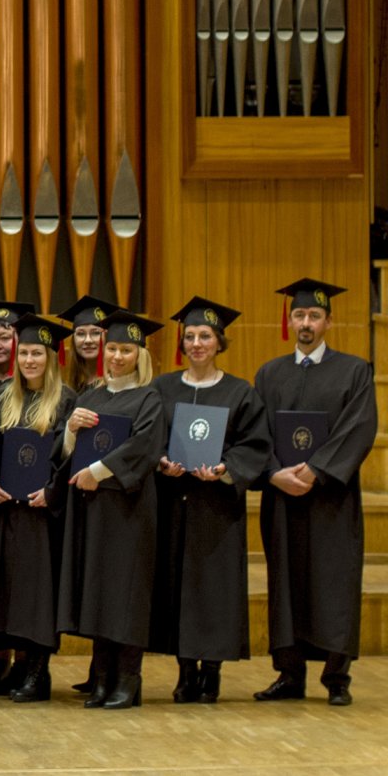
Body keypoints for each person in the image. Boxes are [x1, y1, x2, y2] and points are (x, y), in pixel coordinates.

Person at [252, 278, 377, 707]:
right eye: (300, 315)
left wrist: (317, 470)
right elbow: (257, 433)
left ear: (328, 321)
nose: (306, 322)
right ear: (289, 321)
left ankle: (336, 677)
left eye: (314, 316)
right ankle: (289, 673)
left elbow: (359, 428)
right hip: (282, 497)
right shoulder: (269, 373)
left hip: (331, 499)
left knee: (334, 582)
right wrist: (273, 473)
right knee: (285, 582)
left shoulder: (354, 371)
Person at [152, 296, 271, 704]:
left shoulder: (240, 392)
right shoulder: (163, 388)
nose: (197, 344)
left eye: (205, 336)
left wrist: (226, 468)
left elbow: (255, 444)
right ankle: (185, 670)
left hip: (217, 508)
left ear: (219, 342)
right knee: (177, 587)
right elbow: (148, 436)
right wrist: (160, 460)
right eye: (190, 337)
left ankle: (212, 670)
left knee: (214, 589)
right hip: (174, 502)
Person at [56, 309, 164, 708]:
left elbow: (145, 447)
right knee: (98, 589)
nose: (118, 356)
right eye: (113, 348)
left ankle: (128, 678)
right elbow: (67, 453)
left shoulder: (149, 397)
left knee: (127, 591)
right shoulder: (90, 397)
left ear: (139, 354)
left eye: (126, 350)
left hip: (130, 509)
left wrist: (98, 472)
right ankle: (101, 677)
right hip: (93, 509)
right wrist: (71, 430)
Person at [0, 315, 75, 702]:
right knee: (6, 590)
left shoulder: (66, 400)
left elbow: (70, 458)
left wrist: (51, 492)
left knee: (37, 594)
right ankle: (11, 667)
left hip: (41, 515)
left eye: (37, 353)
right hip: (6, 511)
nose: (29, 360)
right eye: (24, 354)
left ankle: (38, 672)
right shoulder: (4, 397)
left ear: (51, 358)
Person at [62, 295, 112, 390]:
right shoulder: (73, 388)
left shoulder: (115, 386)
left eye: (96, 333)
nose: (88, 340)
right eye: (81, 334)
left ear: (107, 337)